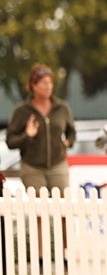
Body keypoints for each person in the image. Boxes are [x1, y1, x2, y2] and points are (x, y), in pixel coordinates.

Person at [6, 64, 76, 193]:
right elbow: (10, 142)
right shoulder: (21, 110)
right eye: (44, 83)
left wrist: (67, 142)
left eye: (50, 82)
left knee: (62, 203)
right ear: (33, 85)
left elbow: (72, 132)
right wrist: (27, 135)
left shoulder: (62, 108)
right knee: (39, 204)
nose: (48, 86)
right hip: (32, 168)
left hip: (58, 165)